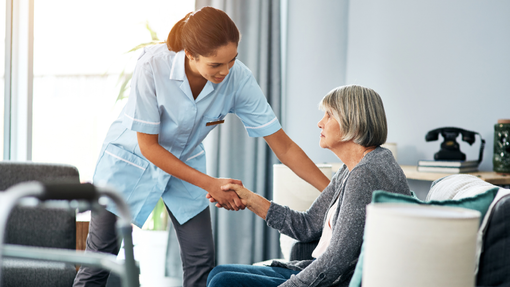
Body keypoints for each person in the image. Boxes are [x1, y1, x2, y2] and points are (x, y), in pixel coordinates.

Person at [73, 6, 330, 287]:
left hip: (186, 160)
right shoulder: (152, 65)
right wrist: (211, 184)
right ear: (190, 54)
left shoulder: (238, 78)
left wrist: (333, 192)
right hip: (130, 160)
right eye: (216, 64)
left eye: (232, 60)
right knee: (100, 257)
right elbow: (149, 146)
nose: (226, 71)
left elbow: (284, 145)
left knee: (200, 259)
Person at [206, 85, 412, 287]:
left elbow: (337, 259)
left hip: (337, 281)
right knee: (218, 272)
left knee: (222, 281)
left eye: (329, 115)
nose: (320, 123)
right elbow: (307, 226)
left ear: (354, 122)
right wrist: (249, 199)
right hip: (321, 271)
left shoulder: (365, 174)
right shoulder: (351, 169)